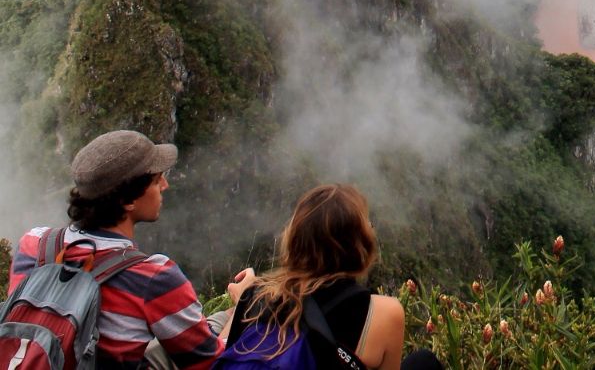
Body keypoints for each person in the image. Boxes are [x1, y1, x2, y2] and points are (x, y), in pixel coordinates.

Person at [7, 129, 255, 370]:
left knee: (212, 322)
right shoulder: (153, 277)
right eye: (157, 180)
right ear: (127, 200)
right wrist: (245, 301)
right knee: (234, 318)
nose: (166, 185)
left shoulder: (34, 243)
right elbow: (214, 364)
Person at [222, 184, 440, 370]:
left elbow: (221, 353)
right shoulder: (385, 312)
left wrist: (248, 296)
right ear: (360, 244)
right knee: (424, 362)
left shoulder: (256, 296)